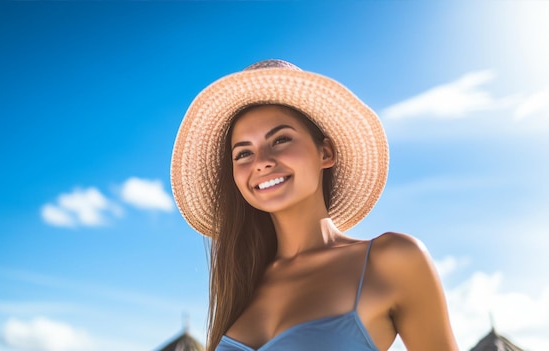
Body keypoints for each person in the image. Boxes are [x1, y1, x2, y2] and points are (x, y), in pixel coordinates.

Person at [171, 60, 457, 351]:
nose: (261, 161)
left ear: (326, 153)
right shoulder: (241, 286)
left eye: (280, 139)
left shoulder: (391, 261)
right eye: (243, 153)